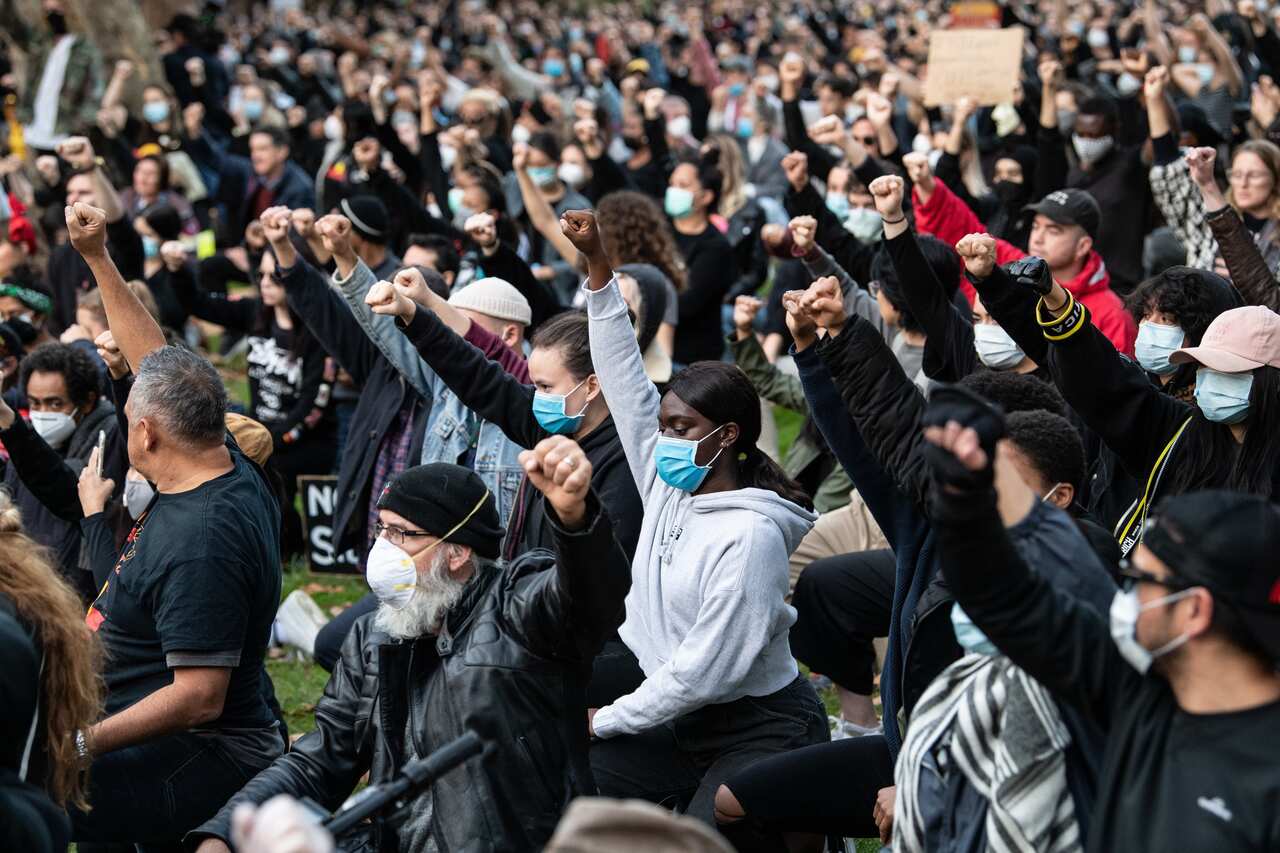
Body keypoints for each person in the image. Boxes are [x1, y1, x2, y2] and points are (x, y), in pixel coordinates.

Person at [188, 440, 632, 852]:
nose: (383, 548)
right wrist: (224, 831)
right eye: (382, 530)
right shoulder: (372, 637)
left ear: (457, 553)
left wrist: (577, 521)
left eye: (401, 534)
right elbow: (321, 759)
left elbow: (591, 600)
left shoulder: (518, 612)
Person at [563, 209, 827, 834]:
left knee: (706, 840)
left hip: (760, 724)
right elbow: (625, 376)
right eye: (663, 426)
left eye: (681, 429)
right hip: (681, 716)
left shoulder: (751, 536)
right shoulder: (666, 476)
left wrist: (606, 718)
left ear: (728, 435)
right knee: (575, 792)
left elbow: (703, 671)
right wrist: (599, 266)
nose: (665, 439)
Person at [924, 421, 1280, 850]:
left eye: (1138, 578)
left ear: (1194, 609)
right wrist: (973, 489)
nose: (1124, 594)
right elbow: (1013, 603)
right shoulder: (1135, 691)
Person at [59, 202, 283, 847]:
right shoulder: (220, 457)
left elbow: (198, 697)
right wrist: (97, 256)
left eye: (128, 413)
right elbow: (154, 357)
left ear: (147, 432)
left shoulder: (202, 540)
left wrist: (76, 743)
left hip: (198, 755)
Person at [0, 489, 103, 823]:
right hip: (44, 799)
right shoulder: (41, 601)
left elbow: (78, 738)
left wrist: (85, 750)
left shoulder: (17, 622)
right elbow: (78, 732)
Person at [0, 341, 118, 594]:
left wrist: (9, 422)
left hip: (77, 590)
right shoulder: (26, 438)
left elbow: (66, 488)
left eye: (55, 404)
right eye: (34, 403)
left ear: (86, 402)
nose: (42, 413)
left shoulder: (109, 438)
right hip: (28, 583)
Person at [664, 157, 736, 365]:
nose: (674, 191)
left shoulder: (715, 247)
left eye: (683, 185)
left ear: (705, 197)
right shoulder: (657, 227)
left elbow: (686, 305)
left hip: (692, 359)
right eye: (672, 184)